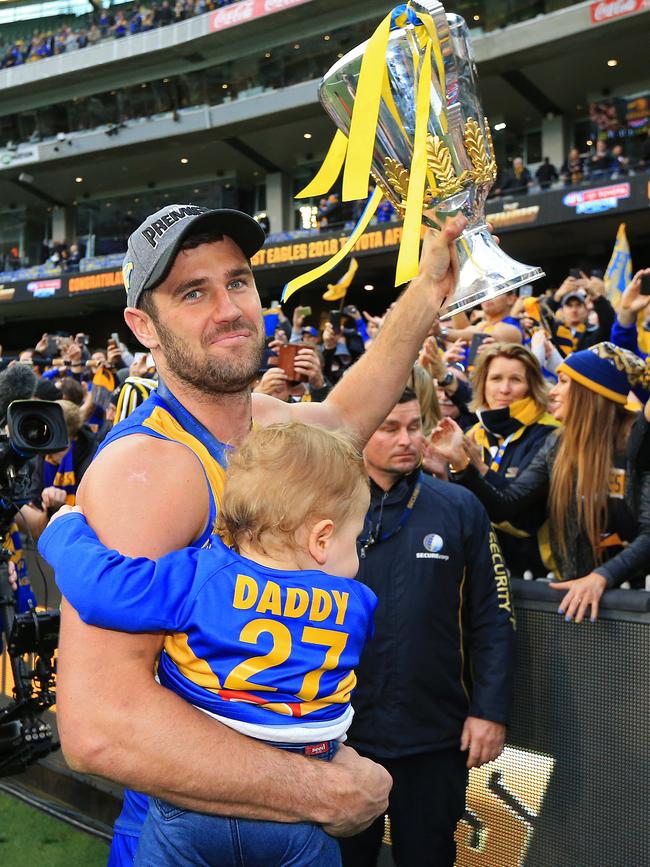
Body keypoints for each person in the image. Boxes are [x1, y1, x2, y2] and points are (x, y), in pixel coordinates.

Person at [55, 202, 467, 864]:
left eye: (237, 281)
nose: (228, 307)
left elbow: (344, 416)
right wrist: (318, 789)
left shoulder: (264, 424)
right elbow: (98, 727)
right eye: (193, 292)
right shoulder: (150, 470)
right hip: (191, 840)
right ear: (143, 327)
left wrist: (427, 292)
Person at [40, 423, 377, 867]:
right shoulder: (359, 606)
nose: (358, 555)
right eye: (357, 540)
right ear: (321, 539)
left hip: (195, 804)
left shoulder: (201, 576)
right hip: (302, 810)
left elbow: (102, 590)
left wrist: (65, 528)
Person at [338, 390, 516, 867]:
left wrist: (490, 710)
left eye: (415, 426)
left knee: (429, 856)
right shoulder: (326, 506)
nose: (407, 440)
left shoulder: (459, 507)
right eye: (390, 428)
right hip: (338, 733)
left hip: (434, 735)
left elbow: (494, 617)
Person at [433, 343, 650, 622]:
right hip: (578, 595)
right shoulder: (558, 443)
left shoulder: (640, 445)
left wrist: (602, 577)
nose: (553, 391)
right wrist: (464, 466)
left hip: (636, 600)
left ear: (592, 391)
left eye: (562, 382)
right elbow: (508, 504)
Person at [457, 344, 559, 576]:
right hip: (478, 566)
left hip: (537, 571)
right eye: (495, 378)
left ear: (532, 386)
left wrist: (477, 468)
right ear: (483, 384)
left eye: (515, 379)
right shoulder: (472, 435)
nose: (504, 389)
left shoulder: (550, 433)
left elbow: (521, 510)